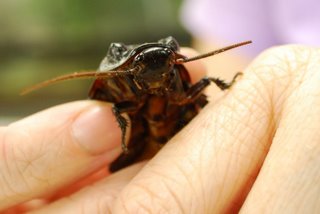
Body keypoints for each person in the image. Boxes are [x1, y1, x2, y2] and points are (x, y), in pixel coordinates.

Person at [0, 44, 319, 213]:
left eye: (163, 67)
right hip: (133, 147)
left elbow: (211, 85)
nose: (154, 75)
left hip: (179, 121)